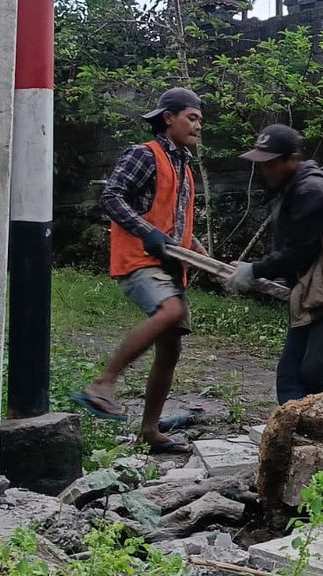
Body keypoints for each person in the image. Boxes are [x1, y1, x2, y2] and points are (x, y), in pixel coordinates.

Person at [71, 87, 207, 454]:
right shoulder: (144, 155)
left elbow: (176, 228)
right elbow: (112, 197)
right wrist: (147, 232)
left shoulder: (184, 168)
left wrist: (202, 255)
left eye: (199, 120)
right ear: (168, 118)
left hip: (168, 268)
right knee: (172, 312)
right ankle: (102, 384)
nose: (197, 126)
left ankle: (150, 431)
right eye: (191, 118)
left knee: (170, 350)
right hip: (139, 262)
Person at [225, 124, 323, 404]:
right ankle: (297, 435)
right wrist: (264, 275)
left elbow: (300, 251)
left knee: (317, 372)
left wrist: (255, 270)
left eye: (271, 164)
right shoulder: (294, 187)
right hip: (312, 293)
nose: (265, 171)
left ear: (292, 159)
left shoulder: (311, 190)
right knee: (290, 376)